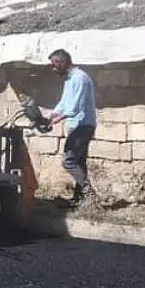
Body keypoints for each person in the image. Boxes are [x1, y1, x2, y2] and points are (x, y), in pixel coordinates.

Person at [47, 49, 97, 206]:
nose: (53, 69)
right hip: (76, 125)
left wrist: (59, 118)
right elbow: (65, 101)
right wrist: (52, 114)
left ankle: (90, 193)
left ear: (62, 62)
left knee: (68, 161)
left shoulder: (80, 78)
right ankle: (80, 198)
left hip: (83, 125)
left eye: (55, 65)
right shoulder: (69, 79)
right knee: (79, 162)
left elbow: (76, 106)